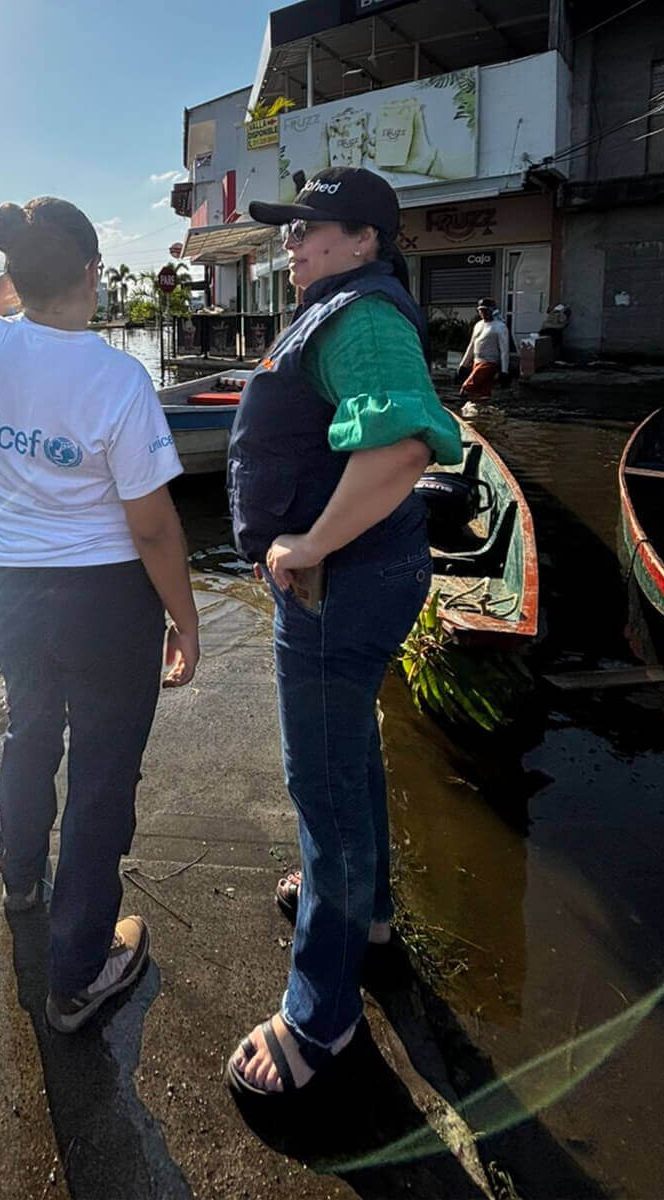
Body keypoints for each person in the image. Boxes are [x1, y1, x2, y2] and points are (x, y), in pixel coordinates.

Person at [224, 167, 461, 1097]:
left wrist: (306, 545)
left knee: (320, 786)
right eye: (288, 233)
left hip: (341, 583)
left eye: (307, 230)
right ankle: (365, 918)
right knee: (348, 753)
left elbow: (403, 446)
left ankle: (319, 1020)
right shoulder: (341, 308)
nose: (290, 245)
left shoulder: (361, 315)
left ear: (364, 240)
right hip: (363, 579)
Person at [0, 196, 199, 1034]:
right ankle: (79, 971)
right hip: (102, 598)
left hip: (9, 582)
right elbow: (153, 525)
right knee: (99, 774)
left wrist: (13, 271)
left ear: (15, 276)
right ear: (92, 273)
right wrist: (184, 621)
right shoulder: (116, 378)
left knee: (28, 728)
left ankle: (21, 881)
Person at [456, 299, 510, 401]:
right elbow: (471, 345)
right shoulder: (478, 325)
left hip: (489, 363)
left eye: (486, 310)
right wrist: (463, 365)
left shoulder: (500, 327)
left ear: (493, 311)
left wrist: (504, 371)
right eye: (480, 310)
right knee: (482, 392)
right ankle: (480, 411)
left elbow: (504, 351)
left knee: (467, 388)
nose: (483, 313)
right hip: (476, 362)